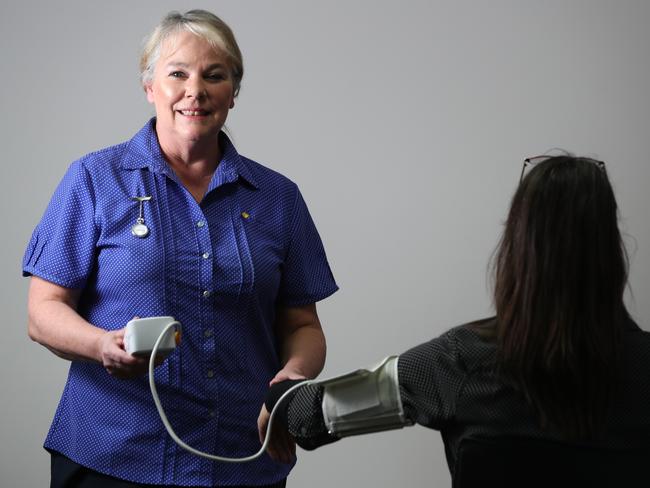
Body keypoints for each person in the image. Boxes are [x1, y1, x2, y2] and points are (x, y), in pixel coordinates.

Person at [23, 9, 337, 488]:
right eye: (178, 74)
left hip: (242, 458)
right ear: (150, 87)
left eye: (215, 76)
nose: (196, 90)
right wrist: (101, 345)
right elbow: (43, 312)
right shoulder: (93, 180)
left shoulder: (278, 198)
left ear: (233, 92)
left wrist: (290, 381)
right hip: (113, 454)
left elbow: (302, 325)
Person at [262, 155, 650, 475]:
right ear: (610, 253)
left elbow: (312, 416)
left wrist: (281, 395)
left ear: (517, 249)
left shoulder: (459, 362)